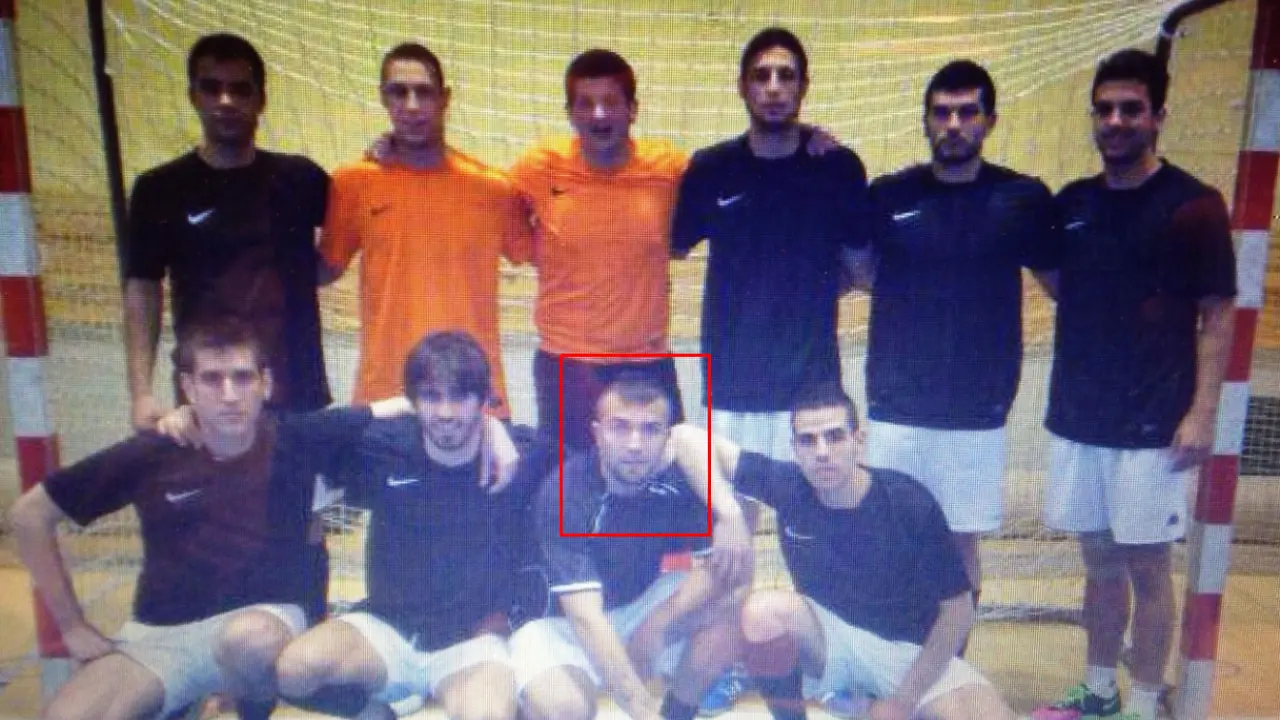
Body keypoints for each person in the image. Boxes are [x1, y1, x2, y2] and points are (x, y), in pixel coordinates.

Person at [9, 318, 350, 720]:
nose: (229, 395)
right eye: (212, 379)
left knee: (249, 640)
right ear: (188, 388)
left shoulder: (298, 441)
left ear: (266, 383)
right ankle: (186, 700)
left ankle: (250, 706)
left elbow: (390, 412)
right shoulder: (155, 452)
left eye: (243, 378)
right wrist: (71, 626)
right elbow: (28, 515)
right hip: (163, 633)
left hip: (264, 625)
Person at [1032, 49, 1236, 720]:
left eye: (1131, 109)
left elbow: (1218, 313)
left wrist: (1202, 412)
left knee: (1148, 568)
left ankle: (1145, 705)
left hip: (1155, 424)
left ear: (1158, 116)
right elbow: (1058, 283)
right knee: (1098, 563)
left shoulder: (1194, 206)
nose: (1116, 121)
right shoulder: (1073, 203)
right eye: (1105, 109)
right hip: (1079, 418)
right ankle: (1098, 690)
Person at [857, 59, 1056, 610]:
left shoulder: (1022, 198)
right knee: (892, 538)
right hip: (896, 403)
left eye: (967, 112)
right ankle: (897, 651)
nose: (953, 124)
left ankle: (954, 654)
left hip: (977, 407)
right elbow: (857, 271)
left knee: (959, 542)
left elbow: (1065, 285)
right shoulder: (889, 195)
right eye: (941, 112)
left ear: (990, 120)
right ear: (925, 120)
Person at [266, 331, 546, 719]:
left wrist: (495, 428)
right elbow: (290, 437)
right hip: (386, 629)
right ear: (413, 401)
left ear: (484, 399)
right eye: (431, 396)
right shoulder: (385, 447)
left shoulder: (517, 458)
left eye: (460, 397)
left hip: (469, 644)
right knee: (293, 671)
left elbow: (590, 463)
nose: (445, 412)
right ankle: (378, 712)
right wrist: (382, 408)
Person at [709, 382, 1017, 720]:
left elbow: (958, 611)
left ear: (858, 440)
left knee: (990, 716)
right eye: (808, 440)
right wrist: (728, 513)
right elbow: (689, 440)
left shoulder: (906, 502)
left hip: (908, 653)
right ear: (794, 448)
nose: (822, 452)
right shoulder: (789, 486)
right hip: (832, 644)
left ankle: (864, 705)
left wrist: (902, 702)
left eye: (835, 436)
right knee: (761, 612)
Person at [671, 26, 870, 463]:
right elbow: (672, 246)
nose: (774, 87)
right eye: (761, 76)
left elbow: (863, 269)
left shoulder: (837, 168)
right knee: (731, 503)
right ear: (742, 87)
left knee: (809, 503)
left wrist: (813, 283)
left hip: (812, 387)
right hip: (731, 382)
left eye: (786, 75)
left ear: (804, 86)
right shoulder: (712, 168)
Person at [511, 372, 751, 720]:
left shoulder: (680, 481)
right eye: (619, 428)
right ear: (597, 434)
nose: (635, 444)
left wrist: (656, 624)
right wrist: (640, 708)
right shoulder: (566, 492)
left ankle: (678, 712)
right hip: (561, 625)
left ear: (667, 438)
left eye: (650, 429)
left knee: (734, 600)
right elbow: (585, 617)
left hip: (636, 608)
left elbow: (720, 572)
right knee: (564, 709)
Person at [123, 33, 331, 431]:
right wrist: (141, 393)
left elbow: (362, 216)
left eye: (240, 89)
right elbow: (142, 289)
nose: (226, 101)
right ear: (193, 96)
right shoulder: (160, 189)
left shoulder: (300, 178)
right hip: (212, 395)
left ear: (260, 99)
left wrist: (388, 150)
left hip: (296, 394)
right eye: (212, 88)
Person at [319, 42, 532, 417]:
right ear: (383, 98)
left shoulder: (493, 189)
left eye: (424, 92)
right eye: (399, 92)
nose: (412, 105)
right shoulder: (353, 183)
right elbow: (324, 270)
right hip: (385, 395)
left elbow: (542, 251)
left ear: (445, 98)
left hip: (471, 398)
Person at [508, 49, 687, 452]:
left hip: (646, 361)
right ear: (570, 114)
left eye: (610, 102)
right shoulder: (538, 168)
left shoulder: (669, 169)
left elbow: (724, 181)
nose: (599, 115)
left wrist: (808, 138)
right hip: (567, 363)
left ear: (633, 109)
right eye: (585, 104)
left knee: (667, 473)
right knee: (571, 479)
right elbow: (490, 199)